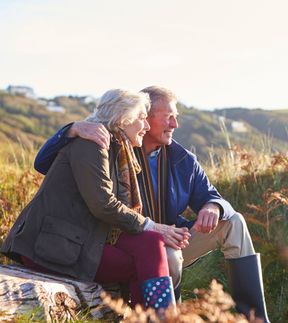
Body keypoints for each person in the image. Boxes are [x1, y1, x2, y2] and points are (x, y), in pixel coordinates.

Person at [33, 86, 270, 322]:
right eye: (168, 117)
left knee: (234, 222)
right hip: (131, 242)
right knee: (165, 253)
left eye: (176, 117)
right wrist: (72, 130)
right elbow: (46, 165)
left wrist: (213, 207)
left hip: (171, 238)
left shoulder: (183, 160)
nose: (175, 124)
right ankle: (171, 316)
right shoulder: (112, 148)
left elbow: (211, 195)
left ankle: (255, 319)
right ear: (141, 116)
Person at [1, 89, 185, 310]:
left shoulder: (120, 148)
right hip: (54, 246)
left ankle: (156, 317)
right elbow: (103, 205)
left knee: (151, 243)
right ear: (123, 118)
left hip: (85, 236)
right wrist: (151, 225)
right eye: (141, 118)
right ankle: (159, 317)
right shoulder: (91, 143)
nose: (146, 126)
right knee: (146, 253)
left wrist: (152, 231)